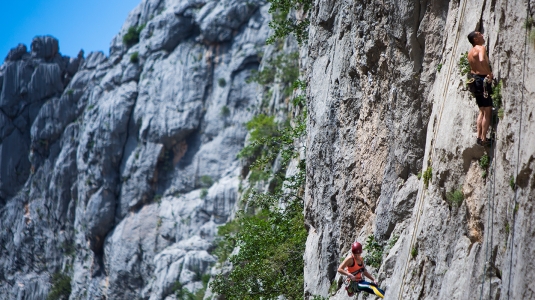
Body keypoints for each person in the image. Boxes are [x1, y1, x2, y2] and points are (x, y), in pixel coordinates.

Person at [467, 31, 493, 146]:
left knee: (482, 110)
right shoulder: (480, 48)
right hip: (482, 80)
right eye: (479, 34)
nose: (482, 35)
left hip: (475, 81)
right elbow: (482, 60)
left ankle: (479, 137)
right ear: (475, 39)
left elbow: (473, 68)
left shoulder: (470, 52)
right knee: (487, 111)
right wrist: (489, 73)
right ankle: (484, 139)